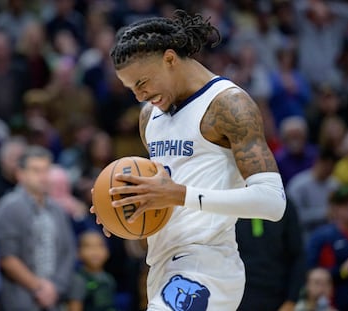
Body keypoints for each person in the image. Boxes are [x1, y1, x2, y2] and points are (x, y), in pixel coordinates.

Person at [92, 10, 286, 310]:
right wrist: (121, 205)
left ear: (170, 59)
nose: (139, 96)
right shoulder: (149, 117)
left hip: (206, 266)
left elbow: (273, 202)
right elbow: (160, 196)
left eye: (142, 82)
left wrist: (180, 195)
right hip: (161, 266)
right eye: (131, 89)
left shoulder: (228, 104)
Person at [0, 145, 76, 311]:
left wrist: (55, 287)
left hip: (55, 298)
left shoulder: (57, 209)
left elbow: (68, 251)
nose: (43, 177)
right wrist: (39, 287)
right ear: (20, 174)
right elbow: (5, 256)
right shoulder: (10, 206)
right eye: (36, 171)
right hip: (20, 298)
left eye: (46, 170)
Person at [236, 200, 306, 311]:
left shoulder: (283, 203)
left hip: (277, 294)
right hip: (238, 294)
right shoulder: (229, 201)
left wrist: (292, 299)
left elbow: (297, 255)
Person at [307, 184, 348, 311]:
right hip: (333, 303)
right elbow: (312, 274)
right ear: (334, 208)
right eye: (344, 204)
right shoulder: (322, 237)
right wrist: (344, 271)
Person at [67, 230, 117, 311]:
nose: (95, 251)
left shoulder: (109, 278)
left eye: (100, 246)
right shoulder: (78, 280)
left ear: (107, 251)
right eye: (88, 246)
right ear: (78, 252)